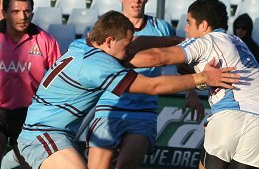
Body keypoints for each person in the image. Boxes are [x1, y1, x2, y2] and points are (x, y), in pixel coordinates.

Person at [17, 10, 239, 169]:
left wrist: (183, 41)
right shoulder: (99, 66)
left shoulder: (84, 45)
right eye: (125, 46)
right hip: (42, 134)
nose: (128, 52)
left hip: (53, 133)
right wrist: (203, 78)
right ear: (110, 40)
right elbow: (153, 86)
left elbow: (138, 43)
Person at [128, 0, 259, 169]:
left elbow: (159, 57)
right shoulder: (238, 42)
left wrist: (117, 61)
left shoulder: (205, 41)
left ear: (204, 25)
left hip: (230, 116)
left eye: (189, 22)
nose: (185, 28)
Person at [85, 0, 179, 169]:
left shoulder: (162, 28)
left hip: (143, 111)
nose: (136, 0)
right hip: (108, 107)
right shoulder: (106, 27)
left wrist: (194, 94)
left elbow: (182, 59)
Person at [0, 0, 61, 168]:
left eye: (27, 11)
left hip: (31, 114)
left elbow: (58, 80)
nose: (23, 16)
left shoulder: (46, 40)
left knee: (31, 165)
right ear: (4, 13)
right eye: (16, 11)